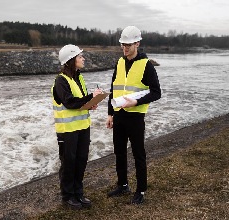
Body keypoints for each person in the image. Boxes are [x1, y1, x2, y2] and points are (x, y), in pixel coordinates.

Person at [105, 26, 161, 204]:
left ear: (137, 43)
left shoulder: (146, 65)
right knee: (119, 152)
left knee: (138, 154)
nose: (125, 48)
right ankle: (123, 185)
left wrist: (136, 102)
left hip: (136, 118)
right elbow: (114, 89)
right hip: (119, 115)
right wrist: (110, 113)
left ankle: (141, 190)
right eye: (123, 45)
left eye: (128, 44)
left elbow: (156, 92)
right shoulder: (119, 63)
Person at [52, 44, 102, 209]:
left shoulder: (79, 78)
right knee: (68, 163)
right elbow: (69, 102)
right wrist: (89, 98)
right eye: (80, 56)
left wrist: (91, 103)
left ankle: (78, 193)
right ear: (71, 60)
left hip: (83, 127)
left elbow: (80, 102)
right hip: (67, 131)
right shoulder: (61, 81)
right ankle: (68, 196)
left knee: (81, 160)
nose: (83, 59)